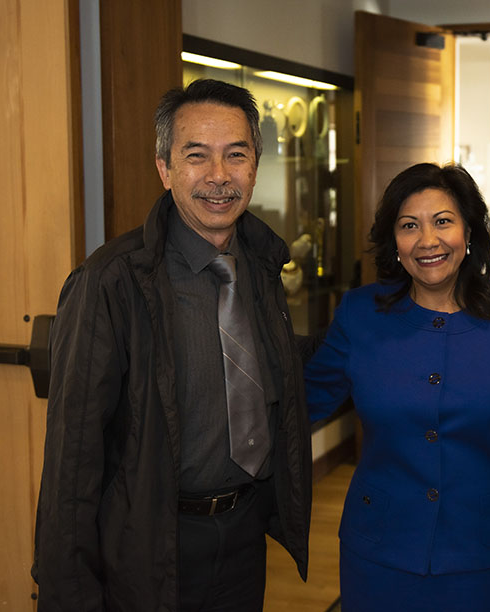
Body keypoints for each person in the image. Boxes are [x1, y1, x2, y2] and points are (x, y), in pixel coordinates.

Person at [32, 79, 313, 611]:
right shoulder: (111, 282)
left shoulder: (263, 267)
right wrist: (66, 591)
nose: (218, 176)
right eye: (196, 156)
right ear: (164, 169)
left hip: (244, 538)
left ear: (254, 166)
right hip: (150, 545)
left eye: (236, 155)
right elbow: (73, 459)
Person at [304, 162, 490, 611]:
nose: (428, 240)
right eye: (409, 226)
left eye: (443, 221)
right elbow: (303, 403)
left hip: (489, 552)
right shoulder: (360, 314)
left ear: (470, 231)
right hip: (380, 550)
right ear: (394, 242)